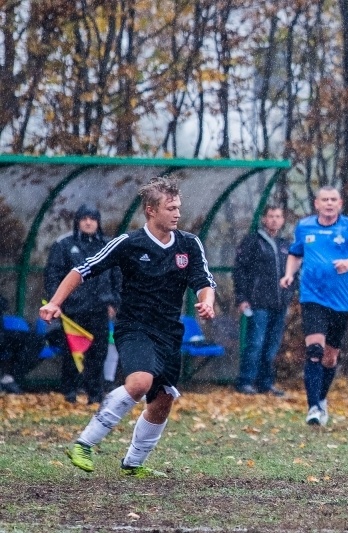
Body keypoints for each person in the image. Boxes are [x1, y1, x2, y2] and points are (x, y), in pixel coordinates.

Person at [40, 177, 216, 478]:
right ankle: (85, 442)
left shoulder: (189, 244)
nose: (177, 213)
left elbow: (204, 282)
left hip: (169, 332)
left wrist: (206, 302)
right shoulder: (129, 243)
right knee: (139, 383)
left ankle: (133, 463)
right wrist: (55, 303)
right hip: (134, 327)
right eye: (170, 208)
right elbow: (81, 270)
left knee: (163, 401)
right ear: (151, 210)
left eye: (178, 207)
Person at [279, 186, 348, 426]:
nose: (329, 203)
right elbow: (295, 253)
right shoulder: (305, 226)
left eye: (333, 200)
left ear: (340, 204)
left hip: (340, 302)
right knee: (314, 352)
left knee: (330, 359)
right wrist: (289, 274)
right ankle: (312, 409)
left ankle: (321, 399)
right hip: (311, 297)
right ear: (317, 204)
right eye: (325, 200)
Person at [44, 204, 121, 404]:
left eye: (93, 218)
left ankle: (95, 394)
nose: (88, 222)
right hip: (72, 309)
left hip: (99, 308)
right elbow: (53, 276)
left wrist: (114, 301)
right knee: (73, 352)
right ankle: (70, 391)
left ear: (98, 222)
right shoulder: (64, 245)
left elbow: (117, 276)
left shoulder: (107, 245)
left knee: (99, 351)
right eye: (84, 218)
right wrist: (57, 302)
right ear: (77, 221)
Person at [233, 205, 294, 396]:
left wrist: (290, 294)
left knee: (272, 346)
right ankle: (245, 381)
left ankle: (265, 383)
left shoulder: (285, 245)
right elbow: (240, 270)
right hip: (257, 302)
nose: (275, 220)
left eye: (278, 216)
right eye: (271, 216)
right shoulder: (252, 242)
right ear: (264, 219)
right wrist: (242, 298)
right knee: (255, 343)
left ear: (283, 220)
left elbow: (294, 272)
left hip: (279, 304)